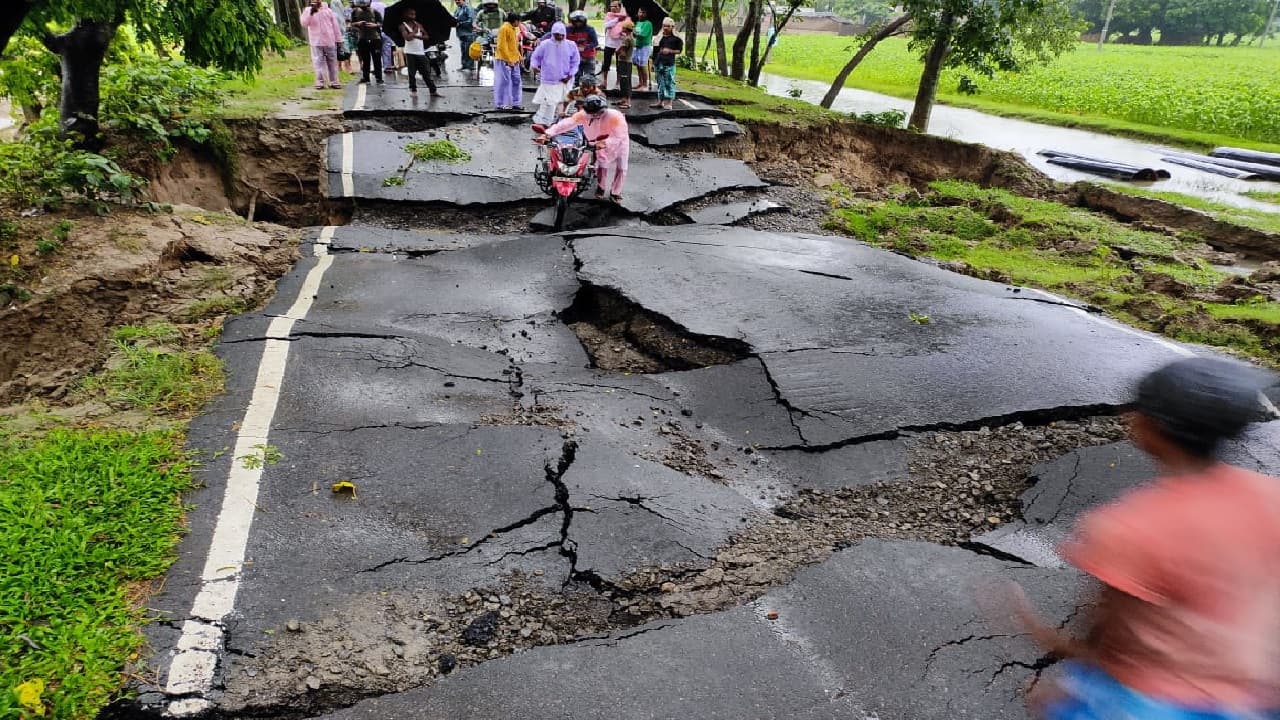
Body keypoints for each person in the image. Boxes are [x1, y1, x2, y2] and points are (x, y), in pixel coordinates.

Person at [1003, 356, 1280, 720]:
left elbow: (1111, 633)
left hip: (1155, 702)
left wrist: (1056, 649)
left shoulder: (1131, 525)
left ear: (1144, 425)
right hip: (1255, 697)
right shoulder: (1270, 496)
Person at [537, 94, 629, 202]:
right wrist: (548, 134)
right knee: (602, 165)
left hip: (618, 143)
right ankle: (601, 187)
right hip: (597, 142)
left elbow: (619, 135)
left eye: (598, 112)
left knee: (622, 167)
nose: (595, 115)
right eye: (592, 113)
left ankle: (616, 192)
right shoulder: (583, 115)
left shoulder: (615, 116)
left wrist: (604, 142)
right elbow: (566, 124)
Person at [529, 21, 579, 124]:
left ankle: (557, 122)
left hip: (566, 80)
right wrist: (534, 66)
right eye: (557, 35)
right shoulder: (545, 44)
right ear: (552, 33)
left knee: (564, 101)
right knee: (550, 103)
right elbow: (535, 57)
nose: (560, 37)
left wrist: (570, 74)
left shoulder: (571, 45)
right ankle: (545, 122)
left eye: (562, 35)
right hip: (549, 80)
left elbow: (575, 62)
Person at [302, 0, 345, 89]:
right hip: (316, 41)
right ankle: (320, 82)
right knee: (318, 62)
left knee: (332, 62)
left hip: (330, 40)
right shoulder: (308, 10)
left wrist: (339, 39)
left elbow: (335, 26)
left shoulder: (328, 11)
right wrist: (311, 12)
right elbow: (304, 23)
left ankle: (334, 81)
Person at [400, 7, 441, 97]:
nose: (413, 16)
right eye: (411, 14)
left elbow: (426, 36)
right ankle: (413, 91)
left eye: (414, 14)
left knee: (426, 72)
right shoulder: (403, 25)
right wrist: (415, 31)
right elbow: (407, 38)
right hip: (410, 52)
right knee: (412, 73)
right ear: (405, 15)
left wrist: (417, 36)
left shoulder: (418, 24)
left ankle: (433, 91)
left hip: (420, 52)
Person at [493, 12, 524, 110]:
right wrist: (508, 59)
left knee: (516, 81)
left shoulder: (513, 29)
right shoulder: (504, 29)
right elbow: (501, 47)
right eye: (519, 21)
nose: (519, 23)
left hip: (514, 60)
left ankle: (516, 103)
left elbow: (514, 46)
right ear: (515, 21)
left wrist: (519, 56)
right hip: (504, 60)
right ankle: (501, 104)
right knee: (504, 82)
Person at [349, 0, 384, 84]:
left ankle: (379, 78)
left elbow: (381, 23)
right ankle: (366, 77)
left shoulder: (374, 11)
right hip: (362, 38)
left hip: (375, 38)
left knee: (377, 59)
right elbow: (351, 24)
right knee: (365, 59)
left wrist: (375, 25)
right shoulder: (355, 12)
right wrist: (358, 23)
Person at [650, 17, 681, 109]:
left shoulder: (676, 38)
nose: (665, 28)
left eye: (668, 26)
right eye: (664, 26)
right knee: (660, 83)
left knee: (669, 82)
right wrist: (653, 63)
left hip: (669, 63)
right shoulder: (659, 37)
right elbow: (655, 51)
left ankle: (669, 103)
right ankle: (660, 101)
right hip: (658, 62)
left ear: (672, 27)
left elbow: (679, 51)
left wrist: (670, 51)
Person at [599, 0, 628, 89]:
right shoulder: (609, 15)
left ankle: (618, 83)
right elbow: (607, 25)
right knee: (606, 64)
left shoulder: (625, 17)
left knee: (620, 64)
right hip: (609, 43)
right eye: (612, 6)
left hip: (620, 44)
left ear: (620, 7)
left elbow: (626, 29)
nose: (613, 8)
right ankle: (604, 81)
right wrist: (617, 19)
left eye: (615, 6)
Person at [565, 11, 598, 86]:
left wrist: (586, 47)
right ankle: (575, 94)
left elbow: (595, 42)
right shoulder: (568, 30)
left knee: (589, 78)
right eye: (576, 22)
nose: (578, 23)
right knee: (575, 77)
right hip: (574, 57)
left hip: (588, 56)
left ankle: (590, 94)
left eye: (580, 22)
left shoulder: (590, 29)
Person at [613, 21, 634, 109]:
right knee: (623, 80)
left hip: (625, 62)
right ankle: (624, 98)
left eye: (623, 27)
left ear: (626, 28)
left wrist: (617, 51)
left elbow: (623, 53)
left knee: (626, 81)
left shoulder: (627, 39)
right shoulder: (629, 37)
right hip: (625, 62)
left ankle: (628, 101)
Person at [631, 7, 652, 90]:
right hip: (637, 46)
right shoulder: (638, 23)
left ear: (646, 14)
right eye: (640, 12)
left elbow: (643, 34)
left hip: (645, 46)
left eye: (643, 12)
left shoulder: (648, 23)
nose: (641, 14)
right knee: (638, 65)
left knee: (643, 65)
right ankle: (640, 83)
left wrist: (634, 31)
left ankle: (645, 85)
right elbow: (635, 34)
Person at [454, 0, 477, 70]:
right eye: (455, 0)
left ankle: (471, 66)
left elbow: (471, 20)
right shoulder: (458, 8)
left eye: (458, 0)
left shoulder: (468, 8)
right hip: (461, 33)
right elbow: (454, 17)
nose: (457, 1)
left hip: (469, 33)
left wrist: (460, 23)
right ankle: (464, 65)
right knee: (463, 50)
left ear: (463, 0)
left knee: (469, 50)